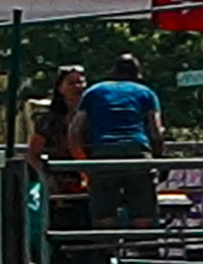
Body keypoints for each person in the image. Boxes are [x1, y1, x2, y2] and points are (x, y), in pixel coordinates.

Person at [70, 54, 163, 232]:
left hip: (103, 154)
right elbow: (156, 133)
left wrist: (84, 164)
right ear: (138, 75)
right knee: (144, 214)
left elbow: (74, 132)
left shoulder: (94, 91)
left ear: (112, 72)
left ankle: (105, 253)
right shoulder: (146, 93)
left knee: (103, 215)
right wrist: (157, 161)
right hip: (137, 153)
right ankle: (144, 253)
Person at [27, 66, 92, 264]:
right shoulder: (48, 119)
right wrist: (47, 177)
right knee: (59, 233)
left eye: (81, 82)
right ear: (60, 88)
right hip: (59, 184)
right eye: (71, 83)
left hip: (90, 181)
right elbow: (32, 153)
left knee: (90, 234)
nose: (77, 87)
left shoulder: (94, 116)